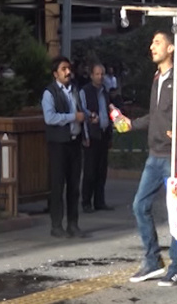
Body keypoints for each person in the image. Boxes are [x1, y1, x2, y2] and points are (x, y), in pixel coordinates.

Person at [123, 31, 177, 287]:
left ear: (171, 48)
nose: (151, 46)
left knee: (175, 212)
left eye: (157, 42)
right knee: (139, 205)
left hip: (174, 156)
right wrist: (130, 124)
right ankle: (153, 261)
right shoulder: (156, 79)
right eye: (151, 42)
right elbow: (154, 116)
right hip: (154, 156)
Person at [41, 56, 88, 239]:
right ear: (55, 74)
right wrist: (72, 117)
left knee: (74, 185)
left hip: (74, 142)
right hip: (58, 144)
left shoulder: (74, 90)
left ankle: (73, 224)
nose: (68, 72)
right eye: (63, 69)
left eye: (68, 68)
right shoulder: (49, 93)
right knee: (58, 184)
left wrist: (86, 117)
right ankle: (56, 225)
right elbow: (50, 118)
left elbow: (80, 110)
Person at [80, 63, 114, 213]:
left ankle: (99, 201)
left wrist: (110, 135)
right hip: (92, 136)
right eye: (97, 74)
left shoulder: (105, 92)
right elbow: (82, 111)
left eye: (102, 74)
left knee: (102, 170)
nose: (100, 77)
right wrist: (85, 135)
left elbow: (107, 112)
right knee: (90, 170)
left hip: (104, 134)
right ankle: (86, 201)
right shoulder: (85, 91)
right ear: (92, 75)